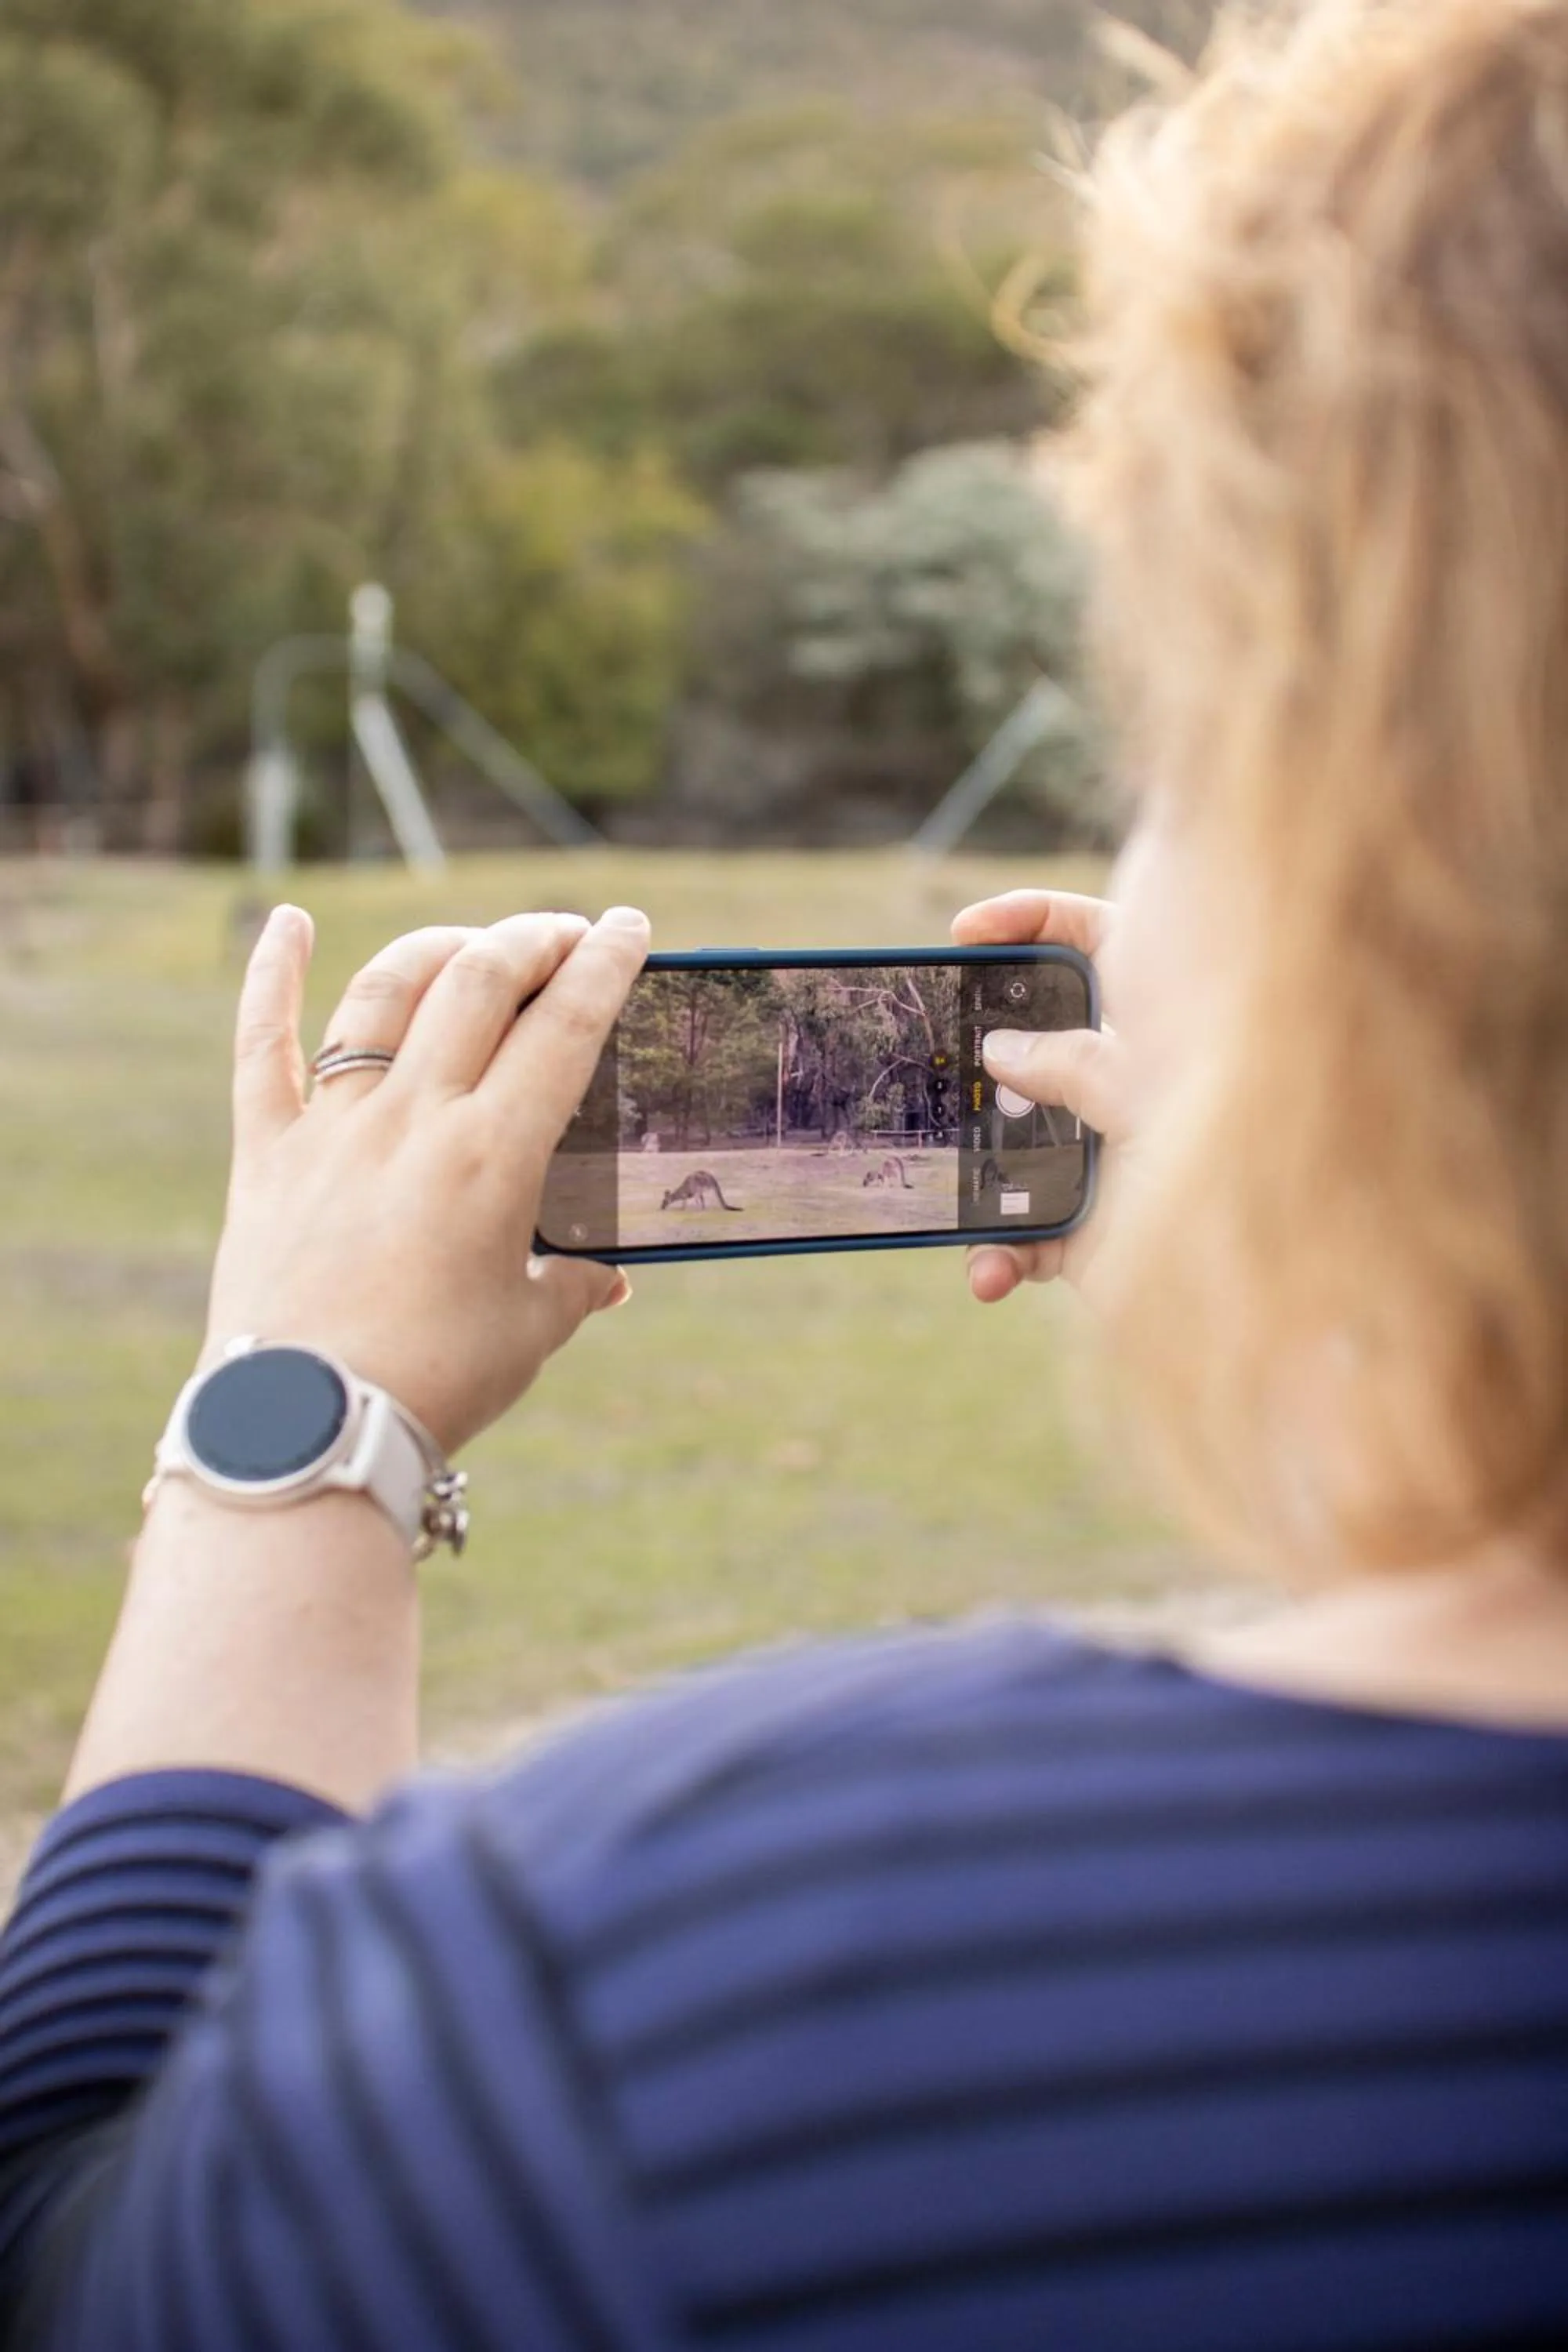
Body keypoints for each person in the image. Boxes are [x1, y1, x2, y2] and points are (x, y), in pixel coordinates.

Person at [5, 0, 1568, 2343]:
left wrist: (299, 1414)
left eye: (1177, 725)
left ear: (1357, 843)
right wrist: (1432, 1225)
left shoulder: (655, 1993)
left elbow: (77, 2244)